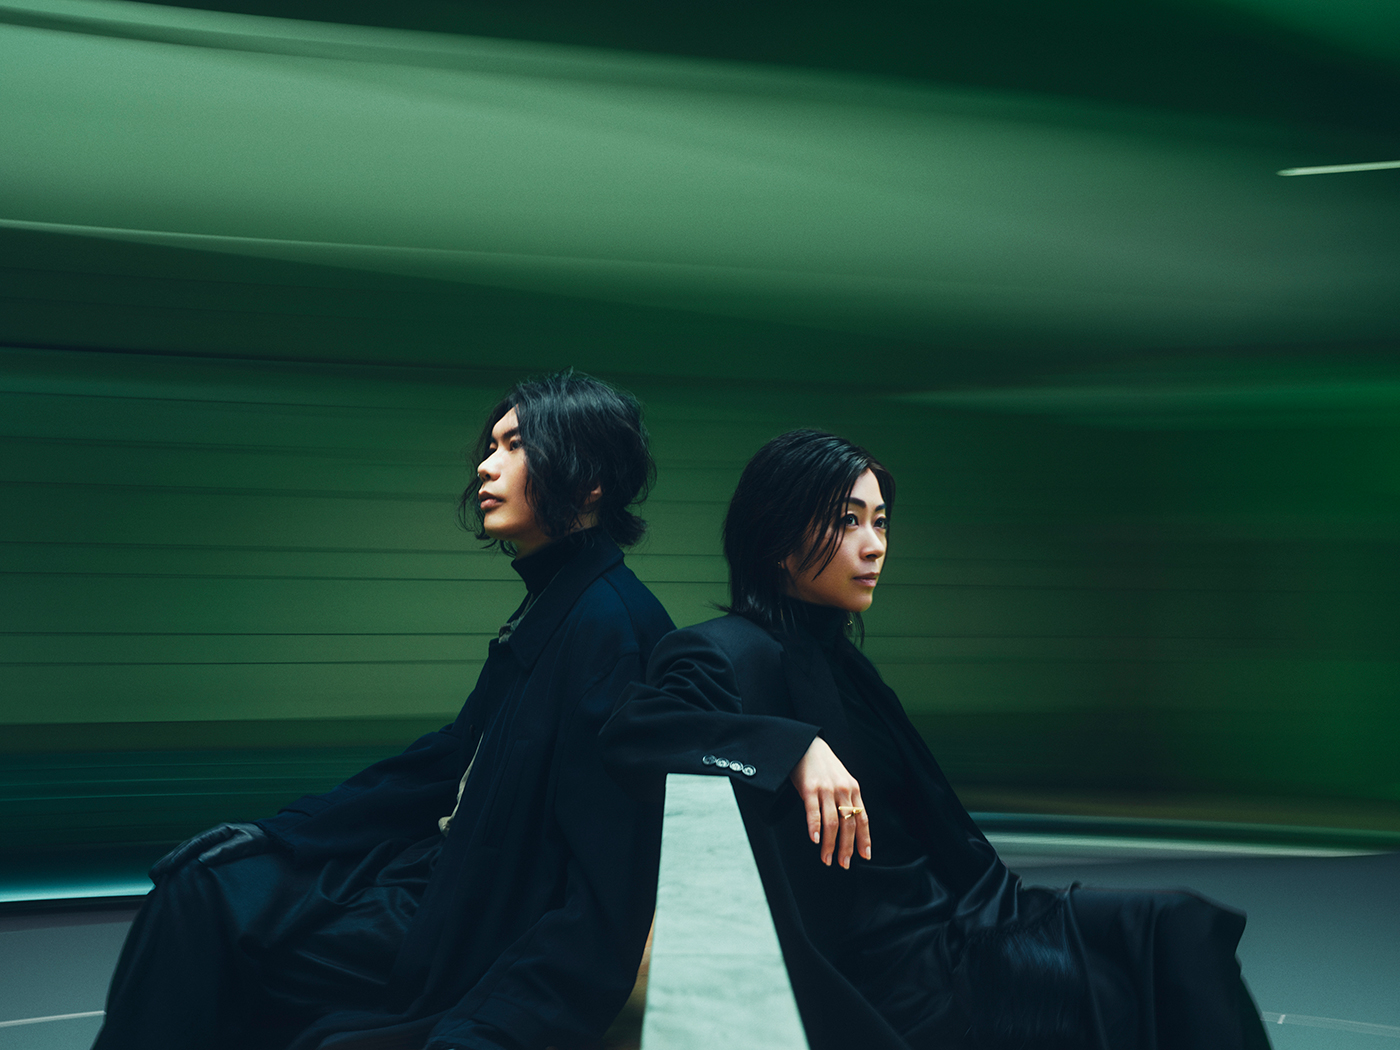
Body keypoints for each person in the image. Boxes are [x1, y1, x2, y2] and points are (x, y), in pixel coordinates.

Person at [601, 429, 1271, 1050]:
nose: (874, 545)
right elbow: (634, 733)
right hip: (897, 973)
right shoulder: (722, 651)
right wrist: (793, 748)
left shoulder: (848, 666)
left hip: (965, 923)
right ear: (777, 537)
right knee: (1147, 972)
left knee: (1181, 929)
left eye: (880, 521)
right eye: (847, 521)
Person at [95, 371, 675, 1050]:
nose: (486, 465)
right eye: (492, 446)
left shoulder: (613, 629)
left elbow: (608, 881)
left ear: (590, 480)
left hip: (469, 928)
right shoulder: (555, 601)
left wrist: (503, 1021)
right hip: (435, 878)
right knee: (200, 885)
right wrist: (280, 833)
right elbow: (449, 759)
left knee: (216, 927)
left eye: (515, 446)